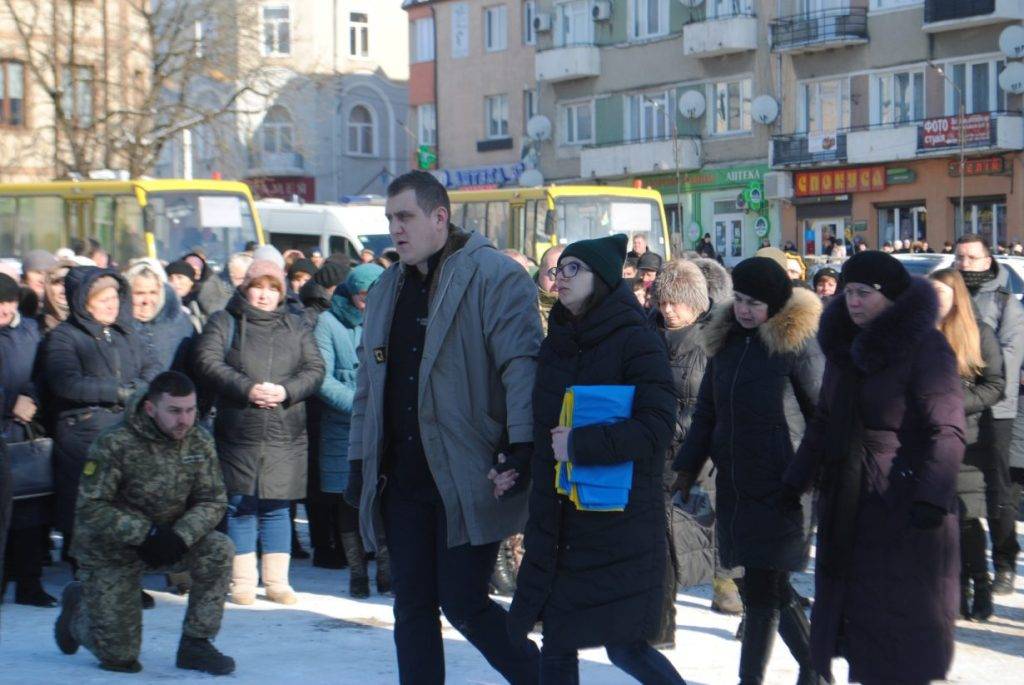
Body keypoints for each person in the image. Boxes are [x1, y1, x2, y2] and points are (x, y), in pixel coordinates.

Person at [346, 171, 541, 683]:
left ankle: (545, 678)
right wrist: (357, 460)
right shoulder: (388, 287)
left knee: (465, 604)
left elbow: (521, 366)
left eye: (405, 216)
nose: (395, 229)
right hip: (402, 479)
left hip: (465, 471)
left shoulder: (494, 276)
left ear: (440, 217)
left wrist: (521, 447)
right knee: (410, 608)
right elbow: (371, 381)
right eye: (390, 218)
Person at [507, 235, 685, 684]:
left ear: (601, 279)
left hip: (616, 525)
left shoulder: (636, 339)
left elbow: (658, 425)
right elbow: (543, 421)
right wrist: (513, 460)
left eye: (572, 270)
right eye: (556, 270)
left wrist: (583, 445)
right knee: (558, 642)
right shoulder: (560, 339)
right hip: (560, 520)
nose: (558, 278)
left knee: (625, 648)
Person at [783, 251, 965, 684]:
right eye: (847, 293)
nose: (853, 302)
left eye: (864, 293)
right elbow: (824, 421)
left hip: (903, 505)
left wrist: (929, 498)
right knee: (859, 628)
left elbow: (948, 429)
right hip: (850, 500)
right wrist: (795, 480)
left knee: (897, 632)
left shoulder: (925, 346)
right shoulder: (845, 348)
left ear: (891, 298)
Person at [674, 257, 825, 685]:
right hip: (739, 482)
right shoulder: (724, 341)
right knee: (767, 585)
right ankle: (814, 669)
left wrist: (809, 475)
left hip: (786, 483)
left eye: (754, 303)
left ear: (775, 303)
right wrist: (687, 467)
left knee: (761, 589)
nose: (743, 309)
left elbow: (823, 415)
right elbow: (707, 412)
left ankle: (754, 679)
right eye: (738, 299)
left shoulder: (797, 344)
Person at [54, 372, 235, 675]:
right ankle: (78, 616)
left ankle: (196, 643)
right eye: (175, 411)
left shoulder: (199, 440)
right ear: (151, 409)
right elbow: (91, 507)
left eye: (190, 410)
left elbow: (213, 500)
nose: (185, 420)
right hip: (113, 548)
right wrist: (146, 534)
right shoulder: (114, 443)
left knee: (219, 548)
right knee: (121, 658)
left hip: (170, 539)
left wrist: (180, 536)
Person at [193, 260, 325, 606]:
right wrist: (246, 388)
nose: (264, 295)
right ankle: (243, 580)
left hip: (285, 429)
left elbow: (315, 369)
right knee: (241, 504)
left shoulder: (296, 326)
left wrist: (286, 391)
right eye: (258, 286)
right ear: (245, 287)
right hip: (240, 428)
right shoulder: (225, 321)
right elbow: (207, 361)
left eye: (272, 288)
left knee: (278, 506)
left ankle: (278, 581)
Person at [44, 267, 161, 562]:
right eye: (102, 299)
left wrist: (141, 387)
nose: (112, 305)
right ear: (84, 302)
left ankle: (127, 583)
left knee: (129, 510)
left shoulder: (127, 332)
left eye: (114, 298)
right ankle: (87, 584)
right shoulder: (65, 337)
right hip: (85, 435)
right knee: (88, 513)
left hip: (128, 433)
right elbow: (65, 382)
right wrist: (118, 391)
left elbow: (153, 366)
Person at [654, 260, 742, 643]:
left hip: (702, 451)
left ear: (697, 303)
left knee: (714, 524)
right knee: (661, 534)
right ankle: (662, 616)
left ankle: (730, 588)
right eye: (664, 301)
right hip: (656, 449)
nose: (669, 309)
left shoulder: (713, 340)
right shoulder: (646, 334)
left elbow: (713, 401)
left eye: (678, 301)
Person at [929, 268, 1004, 621]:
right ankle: (954, 589)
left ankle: (981, 583)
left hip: (969, 437)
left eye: (941, 293)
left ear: (956, 295)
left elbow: (995, 385)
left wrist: (956, 402)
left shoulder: (979, 333)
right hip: (928, 438)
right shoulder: (921, 333)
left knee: (968, 517)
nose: (934, 300)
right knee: (941, 517)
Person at [955, 233, 1024, 593]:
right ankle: (968, 567)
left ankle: (1004, 562)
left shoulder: (1004, 301)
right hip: (957, 407)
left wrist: (978, 392)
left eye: (972, 257)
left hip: (996, 409)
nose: (965, 263)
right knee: (960, 488)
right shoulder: (949, 298)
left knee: (998, 487)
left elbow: (1009, 358)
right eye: (960, 257)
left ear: (988, 260)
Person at [315, 263, 388, 598]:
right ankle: (357, 572)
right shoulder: (328, 323)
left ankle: (387, 571)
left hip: (382, 426)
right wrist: (360, 405)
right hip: (343, 427)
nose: (367, 304)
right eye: (363, 297)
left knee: (384, 499)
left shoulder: (387, 318)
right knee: (349, 500)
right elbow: (323, 378)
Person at [1, 274, 54, 607]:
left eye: (8, 301)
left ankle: (29, 582)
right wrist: (9, 403)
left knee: (31, 510)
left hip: (25, 430)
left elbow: (43, 373)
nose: (3, 308)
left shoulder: (30, 332)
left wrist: (32, 398)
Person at [124, 260, 194, 371]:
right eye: (139, 293)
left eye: (153, 293)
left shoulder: (180, 324)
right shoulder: (116, 328)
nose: (147, 301)